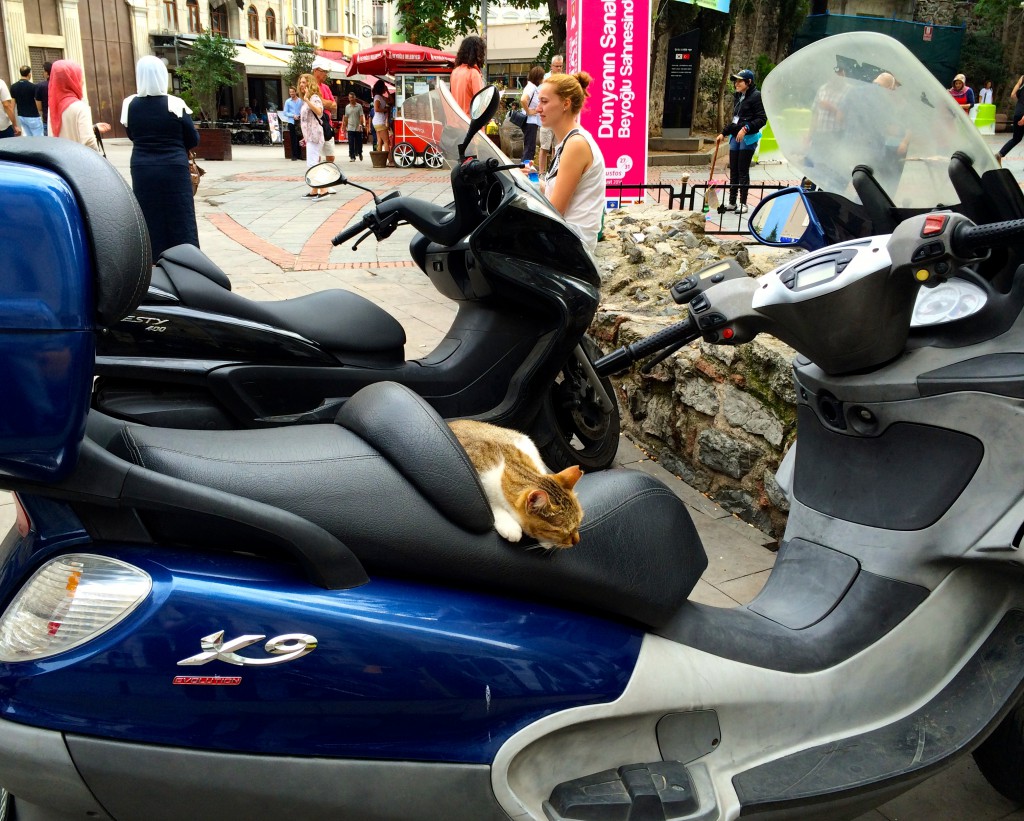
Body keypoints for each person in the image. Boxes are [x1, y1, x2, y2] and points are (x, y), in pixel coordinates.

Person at [120, 55, 200, 259]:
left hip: (142, 167)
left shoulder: (130, 104)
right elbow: (192, 138)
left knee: (148, 214)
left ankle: (152, 258)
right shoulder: (175, 103)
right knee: (180, 214)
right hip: (174, 167)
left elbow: (132, 135)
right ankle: (186, 258)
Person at [534, 71, 606, 252]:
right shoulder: (569, 141)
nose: (538, 108)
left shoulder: (576, 145)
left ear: (566, 104)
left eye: (544, 101)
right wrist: (532, 180)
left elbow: (555, 209)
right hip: (568, 237)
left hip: (572, 244)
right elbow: (558, 193)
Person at [715, 68, 767, 214]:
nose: (736, 83)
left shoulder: (756, 96)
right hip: (735, 137)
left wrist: (746, 128)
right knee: (734, 170)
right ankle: (732, 202)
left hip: (748, 138)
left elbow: (762, 119)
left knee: (743, 170)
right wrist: (724, 133)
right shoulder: (738, 96)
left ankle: (743, 203)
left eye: (739, 81)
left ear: (748, 82)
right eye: (735, 81)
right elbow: (735, 120)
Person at [48, 60, 109, 150]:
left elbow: (63, 132)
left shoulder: (53, 107)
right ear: (72, 80)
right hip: (78, 160)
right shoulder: (80, 107)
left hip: (59, 160)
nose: (83, 81)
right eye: (79, 77)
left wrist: (92, 128)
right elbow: (89, 141)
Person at [298, 73, 327, 199]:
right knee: (313, 162)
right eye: (300, 83)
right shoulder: (306, 99)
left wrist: (308, 101)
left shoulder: (314, 97)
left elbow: (319, 112)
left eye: (304, 82)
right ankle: (314, 190)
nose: (301, 85)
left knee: (312, 164)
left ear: (310, 83)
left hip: (315, 135)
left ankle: (323, 189)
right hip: (310, 136)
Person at [537, 53, 564, 174]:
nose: (559, 69)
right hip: (547, 117)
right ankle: (541, 172)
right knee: (544, 147)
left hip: (558, 117)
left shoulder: (564, 79)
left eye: (561, 66)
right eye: (556, 66)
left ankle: (553, 171)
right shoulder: (546, 79)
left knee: (556, 147)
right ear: (551, 66)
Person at [450, 35, 485, 115]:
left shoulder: (455, 72)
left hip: (457, 121)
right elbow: (479, 103)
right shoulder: (473, 73)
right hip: (470, 123)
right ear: (477, 53)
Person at [311, 57, 337, 166]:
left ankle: (327, 173)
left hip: (327, 124)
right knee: (316, 155)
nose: (326, 74)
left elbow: (334, 105)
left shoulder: (325, 87)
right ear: (316, 71)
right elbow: (317, 103)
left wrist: (324, 103)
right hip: (315, 124)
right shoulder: (311, 86)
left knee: (330, 155)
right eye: (324, 71)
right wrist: (327, 103)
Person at [996, 74, 1024, 167]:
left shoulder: (1022, 78)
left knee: (1016, 138)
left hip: (1017, 113)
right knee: (1017, 138)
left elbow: (1013, 95)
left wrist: (1021, 104)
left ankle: (999, 154)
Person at [520, 65, 543, 165]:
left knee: (529, 147)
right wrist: (529, 111)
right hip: (530, 121)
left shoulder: (531, 86)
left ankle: (525, 168)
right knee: (529, 148)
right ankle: (525, 169)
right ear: (538, 77)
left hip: (531, 121)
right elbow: (523, 99)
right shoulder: (532, 87)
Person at [12, 66, 42, 136]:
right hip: (33, 116)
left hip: (21, 116)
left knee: (28, 138)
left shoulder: (13, 87)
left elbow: (12, 106)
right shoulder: (34, 87)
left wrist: (14, 122)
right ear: (29, 74)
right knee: (39, 139)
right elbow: (37, 102)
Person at [281, 85, 303, 160]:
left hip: (299, 122)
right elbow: (285, 113)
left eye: (293, 92)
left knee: (299, 138)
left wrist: (300, 115)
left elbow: (302, 110)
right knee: (293, 139)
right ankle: (294, 155)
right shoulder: (288, 101)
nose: (291, 93)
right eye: (290, 92)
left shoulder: (300, 101)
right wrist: (293, 115)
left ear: (295, 92)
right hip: (291, 122)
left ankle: (300, 155)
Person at [344, 91, 365, 162]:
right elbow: (346, 117)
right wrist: (345, 126)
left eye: (352, 97)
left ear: (355, 98)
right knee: (351, 142)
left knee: (359, 142)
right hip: (350, 127)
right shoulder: (347, 107)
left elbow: (361, 116)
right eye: (350, 98)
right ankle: (352, 156)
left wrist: (360, 125)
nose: (351, 99)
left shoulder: (359, 106)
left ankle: (359, 152)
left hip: (357, 127)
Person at [371, 79, 390, 157]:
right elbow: (376, 109)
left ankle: (379, 159)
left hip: (377, 121)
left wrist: (387, 91)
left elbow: (391, 100)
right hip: (379, 121)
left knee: (380, 141)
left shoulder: (380, 97)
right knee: (386, 141)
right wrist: (385, 110)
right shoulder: (378, 97)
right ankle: (389, 160)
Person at [36, 62, 51, 135]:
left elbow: (39, 107)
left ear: (47, 73)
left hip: (47, 118)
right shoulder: (61, 84)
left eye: (43, 71)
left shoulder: (40, 86)